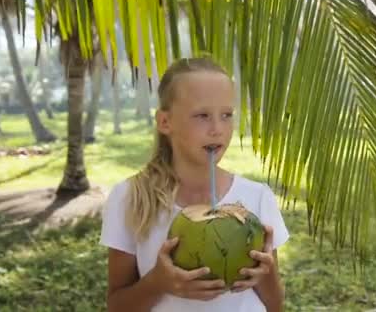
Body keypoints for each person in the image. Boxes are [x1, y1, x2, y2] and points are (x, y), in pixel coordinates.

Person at [99, 57, 290, 311]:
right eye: (202, 115)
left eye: (226, 115)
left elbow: (275, 304)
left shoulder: (257, 197)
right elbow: (116, 306)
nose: (218, 129)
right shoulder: (130, 198)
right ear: (165, 122)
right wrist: (158, 283)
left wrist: (264, 273)